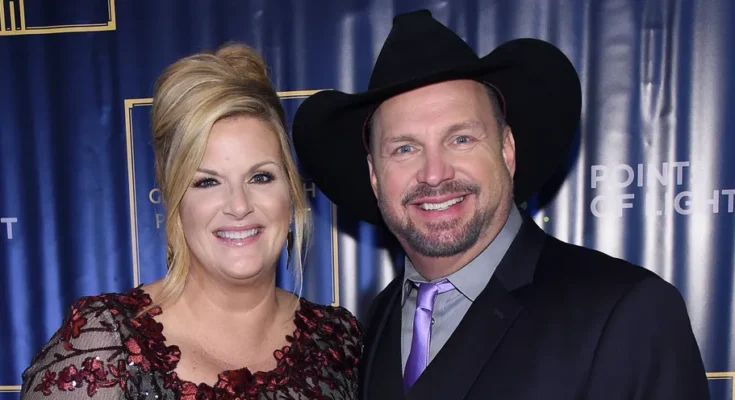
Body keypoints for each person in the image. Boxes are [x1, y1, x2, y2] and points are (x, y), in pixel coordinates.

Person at [291, 9, 709, 400]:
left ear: (507, 150)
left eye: (461, 139)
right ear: (375, 176)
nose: (434, 174)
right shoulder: (380, 317)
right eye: (404, 148)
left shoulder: (626, 313)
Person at [21, 42, 362, 399]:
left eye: (260, 177)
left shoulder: (339, 342)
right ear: (174, 199)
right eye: (207, 182)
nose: (239, 205)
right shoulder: (107, 345)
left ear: (291, 189)